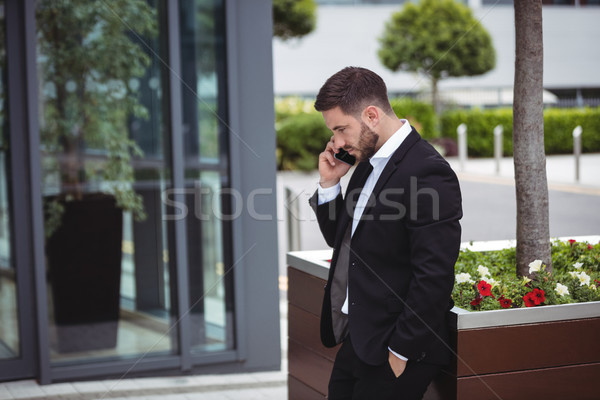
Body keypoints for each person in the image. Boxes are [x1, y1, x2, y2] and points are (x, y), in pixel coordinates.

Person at [309, 67, 462, 400]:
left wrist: (400, 352)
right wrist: (330, 184)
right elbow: (343, 239)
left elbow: (434, 275)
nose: (336, 142)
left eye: (340, 129)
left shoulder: (428, 172)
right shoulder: (366, 162)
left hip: (399, 349)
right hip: (360, 341)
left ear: (372, 115)